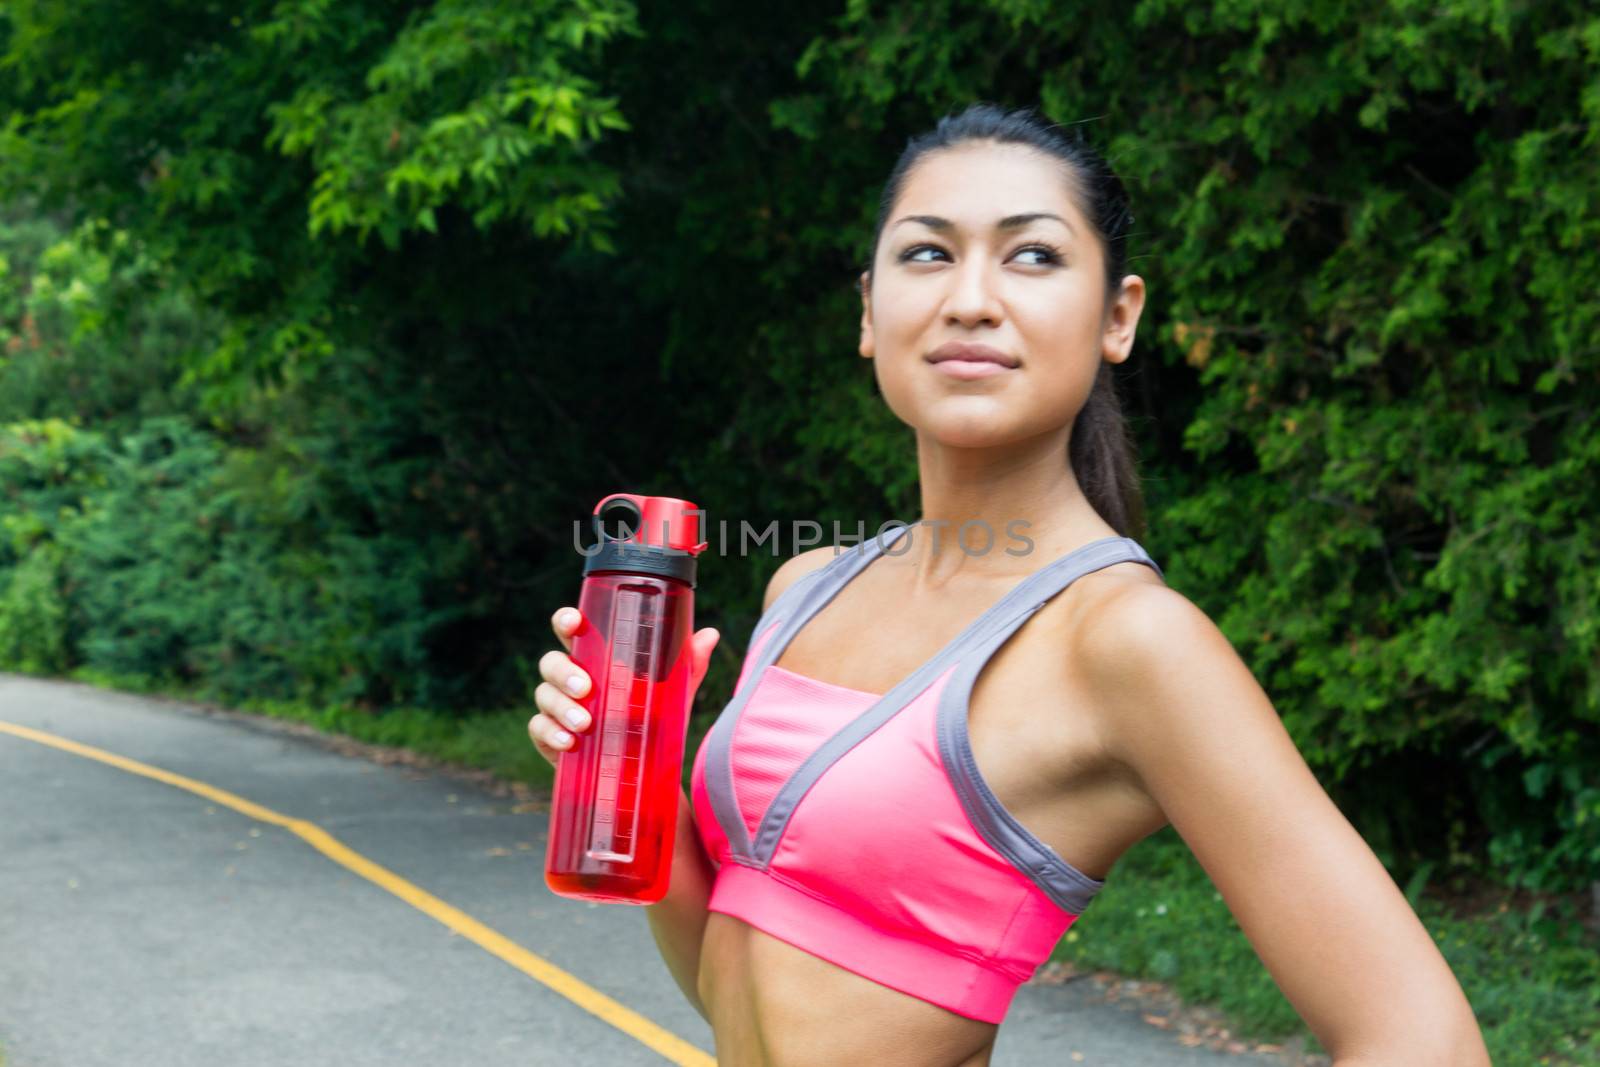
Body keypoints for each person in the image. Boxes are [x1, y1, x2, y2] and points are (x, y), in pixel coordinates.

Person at [528, 103, 1491, 1067]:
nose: (971, 300)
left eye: (1032, 256)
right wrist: (628, 763)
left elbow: (1425, 1040)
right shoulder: (806, 587)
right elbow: (733, 985)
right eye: (927, 254)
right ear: (869, 312)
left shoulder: (1127, 641)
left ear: (1119, 316)